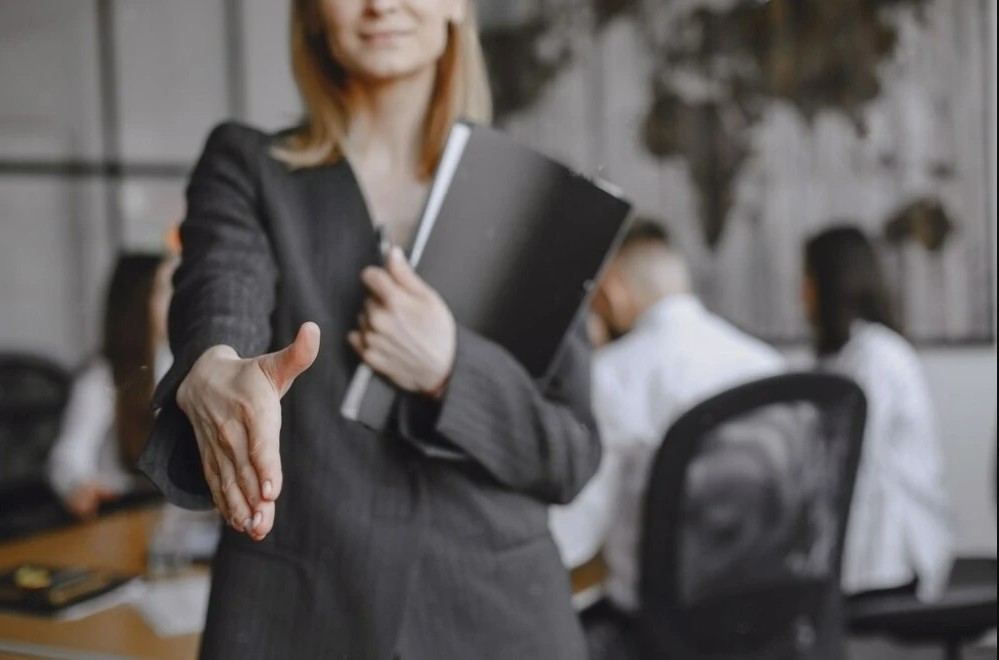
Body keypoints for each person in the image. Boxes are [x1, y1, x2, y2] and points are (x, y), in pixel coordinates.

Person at [137, 1, 600, 658]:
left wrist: (451, 369)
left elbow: (569, 453)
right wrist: (214, 361)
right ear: (312, 13)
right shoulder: (250, 166)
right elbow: (222, 286)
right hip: (300, 617)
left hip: (497, 620)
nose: (381, 4)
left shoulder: (536, 194)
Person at [548, 219, 784, 653]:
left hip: (652, 633)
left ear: (612, 293)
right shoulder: (767, 364)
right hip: (767, 619)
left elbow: (572, 538)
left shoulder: (614, 375)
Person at [803, 225, 953, 601]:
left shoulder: (876, 356)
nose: (800, 292)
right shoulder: (845, 357)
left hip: (892, 556)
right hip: (865, 550)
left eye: (806, 278)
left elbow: (850, 465)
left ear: (829, 282)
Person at [47, 252, 176, 518]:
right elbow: (68, 458)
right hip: (123, 511)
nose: (176, 300)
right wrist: (79, 485)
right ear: (137, 301)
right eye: (164, 291)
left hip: (171, 513)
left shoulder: (176, 363)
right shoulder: (101, 378)